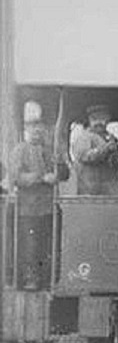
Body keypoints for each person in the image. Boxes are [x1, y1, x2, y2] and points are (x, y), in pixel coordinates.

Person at [9, 102, 56, 289]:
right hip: (28, 208)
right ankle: (30, 279)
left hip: (47, 207)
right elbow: (16, 177)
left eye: (39, 127)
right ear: (27, 129)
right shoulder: (20, 150)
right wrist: (41, 178)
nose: (37, 130)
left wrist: (58, 173)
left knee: (46, 245)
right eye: (33, 127)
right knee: (30, 245)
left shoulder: (49, 151)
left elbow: (63, 172)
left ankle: (45, 278)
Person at [72, 104, 118, 196]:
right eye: (95, 119)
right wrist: (106, 149)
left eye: (102, 118)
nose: (99, 122)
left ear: (107, 119)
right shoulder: (84, 137)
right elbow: (84, 156)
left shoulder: (112, 138)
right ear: (89, 120)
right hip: (92, 193)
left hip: (113, 193)